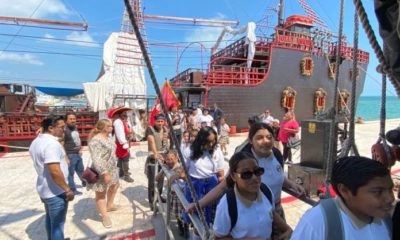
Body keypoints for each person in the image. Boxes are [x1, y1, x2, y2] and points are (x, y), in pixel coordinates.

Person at [187, 122, 305, 238]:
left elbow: (277, 176)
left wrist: (292, 185)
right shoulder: (244, 162)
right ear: (250, 140)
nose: (265, 141)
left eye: (269, 137)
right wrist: (199, 204)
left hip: (274, 212)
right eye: (259, 138)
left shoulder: (277, 154)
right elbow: (223, 186)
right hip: (249, 214)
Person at [291, 156, 394, 240]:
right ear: (345, 191)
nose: (390, 199)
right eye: (377, 192)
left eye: (390, 190)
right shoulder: (318, 222)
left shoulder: (386, 218)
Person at [213, 152, 292, 239]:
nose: (254, 178)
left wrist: (287, 229)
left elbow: (271, 212)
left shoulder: (266, 191)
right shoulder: (227, 204)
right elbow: (218, 237)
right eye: (246, 174)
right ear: (233, 176)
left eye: (257, 171)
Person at [29, 115, 74, 240]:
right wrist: (67, 189)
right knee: (58, 225)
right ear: (50, 128)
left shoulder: (36, 141)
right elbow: (54, 171)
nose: (63, 130)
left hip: (45, 189)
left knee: (51, 220)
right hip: (56, 191)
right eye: (61, 127)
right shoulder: (51, 144)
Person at [183, 127, 225, 238]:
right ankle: (197, 236)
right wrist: (176, 175)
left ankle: (208, 234)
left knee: (211, 214)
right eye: (208, 141)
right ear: (201, 140)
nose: (211, 144)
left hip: (212, 185)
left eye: (213, 141)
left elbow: (221, 173)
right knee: (197, 216)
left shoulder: (216, 150)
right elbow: (183, 170)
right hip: (195, 186)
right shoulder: (190, 151)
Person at [87, 119, 120, 228]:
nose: (112, 127)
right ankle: (105, 216)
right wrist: (104, 173)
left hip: (112, 168)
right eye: (109, 126)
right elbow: (96, 159)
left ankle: (109, 204)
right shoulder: (96, 140)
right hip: (101, 170)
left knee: (114, 186)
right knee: (101, 193)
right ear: (104, 127)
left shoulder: (109, 138)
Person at [155, 150, 189, 237]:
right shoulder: (167, 167)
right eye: (168, 159)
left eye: (172, 159)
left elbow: (187, 179)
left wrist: (179, 176)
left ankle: (186, 228)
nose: (170, 161)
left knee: (184, 213)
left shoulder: (181, 167)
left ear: (177, 158)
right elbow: (157, 179)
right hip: (172, 194)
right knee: (177, 214)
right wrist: (163, 169)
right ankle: (181, 226)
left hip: (182, 194)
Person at [146, 114, 169, 208]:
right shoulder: (150, 129)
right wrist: (155, 153)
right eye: (158, 121)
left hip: (163, 156)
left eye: (161, 121)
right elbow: (151, 140)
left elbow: (166, 141)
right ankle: (152, 201)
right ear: (155, 121)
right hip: (153, 156)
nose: (160, 123)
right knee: (152, 180)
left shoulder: (165, 129)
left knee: (161, 178)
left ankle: (159, 196)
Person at [110, 106, 134, 183]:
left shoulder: (121, 121)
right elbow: (119, 134)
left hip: (123, 143)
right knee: (125, 158)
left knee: (121, 158)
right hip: (121, 144)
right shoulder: (118, 122)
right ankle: (126, 175)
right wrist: (124, 143)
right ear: (119, 114)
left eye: (125, 114)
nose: (125, 115)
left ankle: (120, 173)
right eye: (124, 114)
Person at [64, 112, 85, 195]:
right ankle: (72, 189)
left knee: (81, 170)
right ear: (66, 120)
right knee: (70, 173)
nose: (73, 120)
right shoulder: (64, 130)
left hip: (77, 153)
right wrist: (65, 157)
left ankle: (85, 182)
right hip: (70, 154)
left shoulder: (74, 127)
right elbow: (61, 144)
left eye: (74, 119)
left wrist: (80, 148)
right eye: (70, 119)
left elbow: (77, 139)